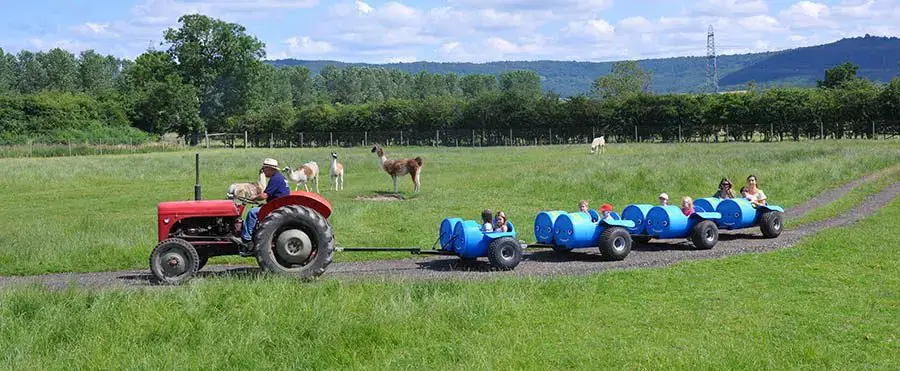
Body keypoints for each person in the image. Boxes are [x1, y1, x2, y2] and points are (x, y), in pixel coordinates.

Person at [238, 158, 291, 246]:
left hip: (277, 207)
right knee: (257, 209)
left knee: (252, 212)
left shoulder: (276, 179)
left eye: (264, 169)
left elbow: (264, 195)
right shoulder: (279, 177)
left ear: (270, 169)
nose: (263, 171)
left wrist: (253, 198)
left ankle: (246, 239)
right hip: (278, 204)